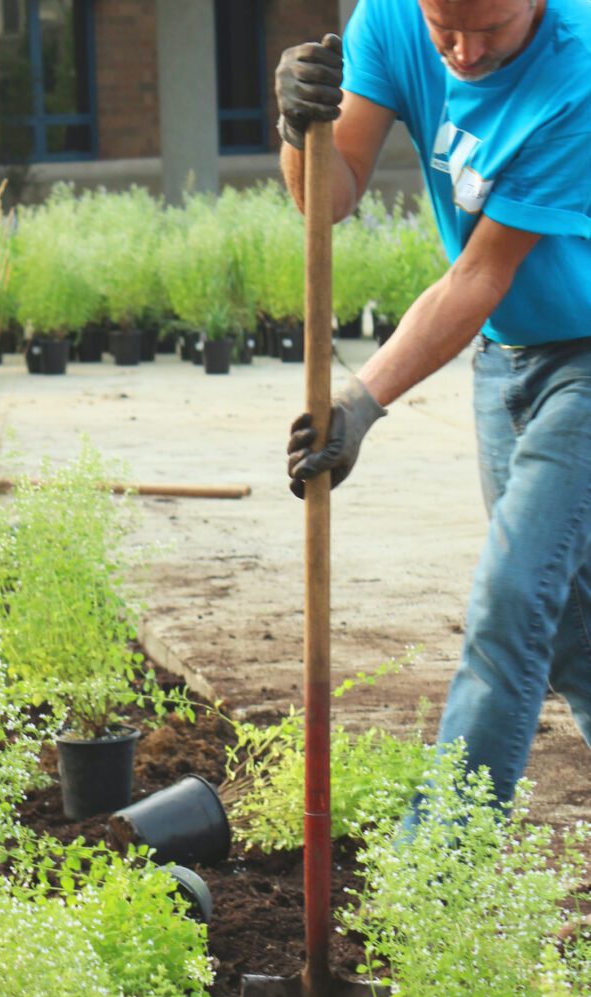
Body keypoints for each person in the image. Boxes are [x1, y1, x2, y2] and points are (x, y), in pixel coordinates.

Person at [276, 0, 591, 810]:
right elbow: (330, 197)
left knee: (514, 600)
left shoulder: (578, 66)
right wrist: (296, 126)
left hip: (583, 358)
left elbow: (481, 275)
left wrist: (361, 403)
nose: (466, 51)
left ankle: (437, 870)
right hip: (505, 358)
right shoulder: (388, 24)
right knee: (570, 631)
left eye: (493, 30)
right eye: (447, 26)